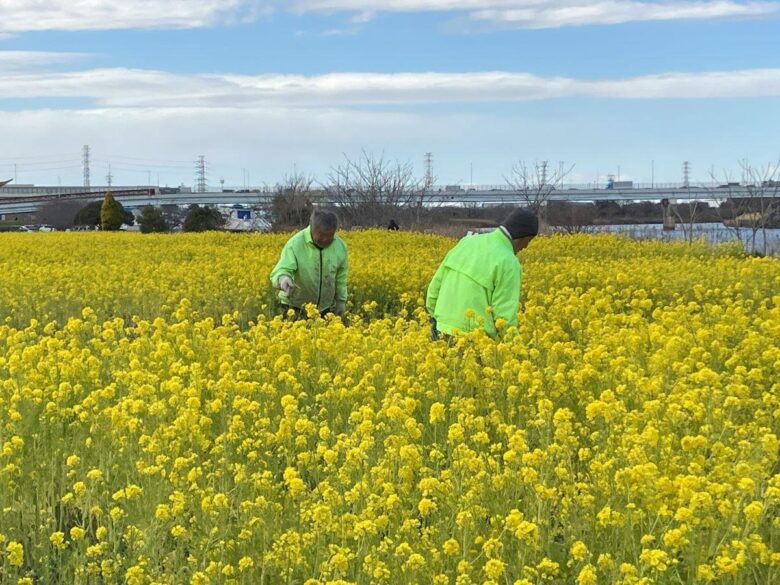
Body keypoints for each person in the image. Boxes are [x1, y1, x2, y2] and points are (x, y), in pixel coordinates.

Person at [426, 208, 538, 339]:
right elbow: (504, 315)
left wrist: (438, 321)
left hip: (440, 329)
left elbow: (434, 289)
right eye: (528, 242)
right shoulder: (509, 262)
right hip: (475, 339)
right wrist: (513, 349)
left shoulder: (466, 242)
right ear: (524, 237)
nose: (525, 247)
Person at [270, 209, 348, 318]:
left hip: (324, 309)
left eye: (329, 235)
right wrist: (283, 278)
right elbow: (283, 268)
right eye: (321, 234)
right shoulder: (295, 243)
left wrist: (341, 301)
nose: (325, 239)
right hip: (294, 307)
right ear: (312, 227)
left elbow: (341, 277)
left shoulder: (340, 246)